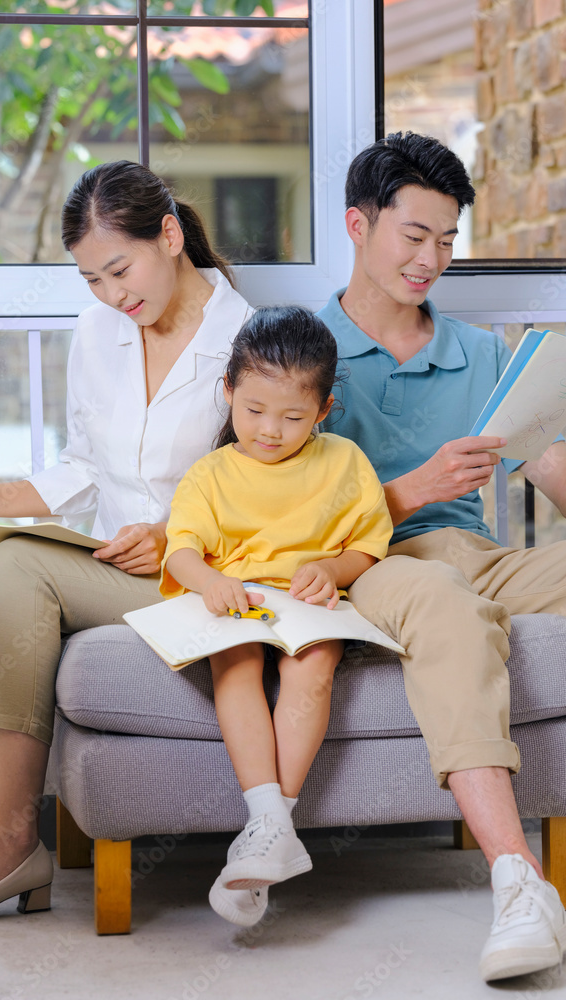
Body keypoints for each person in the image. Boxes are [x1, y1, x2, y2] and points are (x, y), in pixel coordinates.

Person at [316, 131, 566, 983]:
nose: (430, 259)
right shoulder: (301, 346)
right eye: (414, 236)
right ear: (358, 226)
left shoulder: (480, 355)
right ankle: (521, 884)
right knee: (443, 594)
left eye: (446, 240)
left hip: (483, 562)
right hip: (375, 569)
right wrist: (414, 486)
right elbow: (289, 522)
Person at [0, 160, 253, 923]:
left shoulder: (246, 335)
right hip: (111, 563)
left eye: (119, 269)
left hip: (191, 573)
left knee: (14, 567)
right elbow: (81, 462)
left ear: (169, 235)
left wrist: (174, 533)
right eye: (92, 280)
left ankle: (13, 838)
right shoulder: (99, 327)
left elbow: (268, 486)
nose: (113, 294)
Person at [160, 306, 392, 926]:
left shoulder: (342, 462)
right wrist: (211, 582)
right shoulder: (211, 474)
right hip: (236, 599)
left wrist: (333, 571)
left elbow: (368, 544)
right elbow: (180, 548)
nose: (269, 430)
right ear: (229, 389)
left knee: (314, 662)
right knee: (234, 665)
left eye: (293, 418)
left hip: (307, 606)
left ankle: (267, 833)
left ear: (323, 410)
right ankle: (271, 822)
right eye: (254, 410)